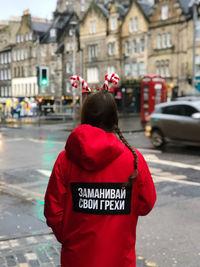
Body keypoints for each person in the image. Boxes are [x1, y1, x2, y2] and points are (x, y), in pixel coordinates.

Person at [44, 87, 156, 267]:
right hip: (120, 259)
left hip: (76, 259)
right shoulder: (134, 159)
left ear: (85, 118)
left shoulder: (65, 160)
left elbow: (52, 210)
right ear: (114, 119)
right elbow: (146, 204)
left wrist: (68, 236)